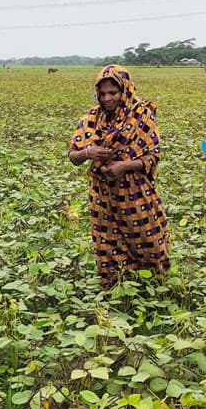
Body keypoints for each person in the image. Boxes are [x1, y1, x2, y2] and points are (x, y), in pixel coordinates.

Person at [68, 65, 169, 288]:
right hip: (102, 194)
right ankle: (115, 287)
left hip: (136, 193)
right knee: (107, 242)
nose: (107, 98)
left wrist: (124, 166)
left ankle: (155, 286)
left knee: (148, 238)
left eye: (113, 93)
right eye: (102, 94)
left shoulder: (141, 115)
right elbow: (73, 156)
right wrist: (88, 152)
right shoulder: (91, 118)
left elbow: (153, 155)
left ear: (124, 90)